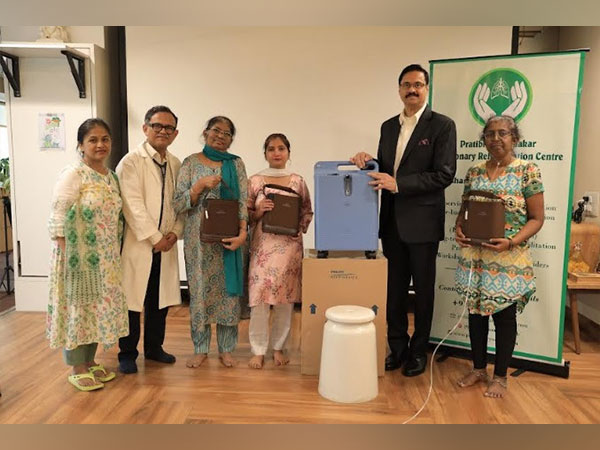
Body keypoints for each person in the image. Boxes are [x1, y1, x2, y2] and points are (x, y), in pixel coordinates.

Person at [351, 64, 457, 377]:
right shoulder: (387, 126)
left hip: (423, 222)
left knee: (423, 291)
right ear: (399, 89)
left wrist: (399, 184)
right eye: (406, 85)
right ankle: (397, 347)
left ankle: (418, 351)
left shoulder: (442, 126)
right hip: (391, 222)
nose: (412, 90)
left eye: (418, 85)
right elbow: (385, 167)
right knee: (393, 291)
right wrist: (365, 160)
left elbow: (444, 174)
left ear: (427, 89)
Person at [455, 115, 544, 398]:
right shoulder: (474, 171)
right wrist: (458, 227)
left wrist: (512, 241)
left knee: (504, 319)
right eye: (490, 134)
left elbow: (537, 218)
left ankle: (501, 376)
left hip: (509, 260)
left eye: (502, 133)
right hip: (476, 258)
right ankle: (479, 368)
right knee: (476, 316)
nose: (495, 139)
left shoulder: (527, 170)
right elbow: (465, 209)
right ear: (484, 140)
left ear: (514, 138)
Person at [47, 118, 129, 391]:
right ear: (81, 145)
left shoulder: (110, 176)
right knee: (79, 308)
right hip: (77, 258)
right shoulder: (74, 174)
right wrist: (68, 257)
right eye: (93, 140)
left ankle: (90, 360)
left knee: (96, 309)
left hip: (105, 257)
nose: (100, 145)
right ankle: (76, 366)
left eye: (105, 139)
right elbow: (58, 215)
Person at [174, 116, 248, 368]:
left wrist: (242, 233)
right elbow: (178, 202)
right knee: (200, 294)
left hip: (229, 241)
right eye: (216, 131)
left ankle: (227, 350)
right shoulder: (190, 163)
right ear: (205, 132)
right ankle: (200, 348)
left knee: (229, 294)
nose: (220, 136)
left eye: (227, 134)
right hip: (198, 242)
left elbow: (243, 203)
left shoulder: (236, 164)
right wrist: (197, 187)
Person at [116, 105, 184, 374]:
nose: (162, 131)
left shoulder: (176, 163)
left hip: (165, 244)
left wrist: (175, 233)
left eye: (168, 127)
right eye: (157, 126)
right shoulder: (131, 162)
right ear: (145, 128)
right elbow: (131, 205)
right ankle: (127, 353)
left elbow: (179, 204)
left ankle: (154, 348)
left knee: (159, 300)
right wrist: (155, 237)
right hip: (139, 244)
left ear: (175, 133)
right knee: (132, 301)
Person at [246, 133, 313, 369]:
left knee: (286, 300)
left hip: (290, 248)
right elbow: (245, 216)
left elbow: (306, 211)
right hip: (263, 247)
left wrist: (300, 228)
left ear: (288, 153)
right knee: (260, 299)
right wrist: (259, 211)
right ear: (265, 153)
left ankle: (278, 347)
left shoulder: (298, 181)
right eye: (272, 148)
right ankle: (258, 349)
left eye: (281, 148)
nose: (276, 153)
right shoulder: (254, 181)